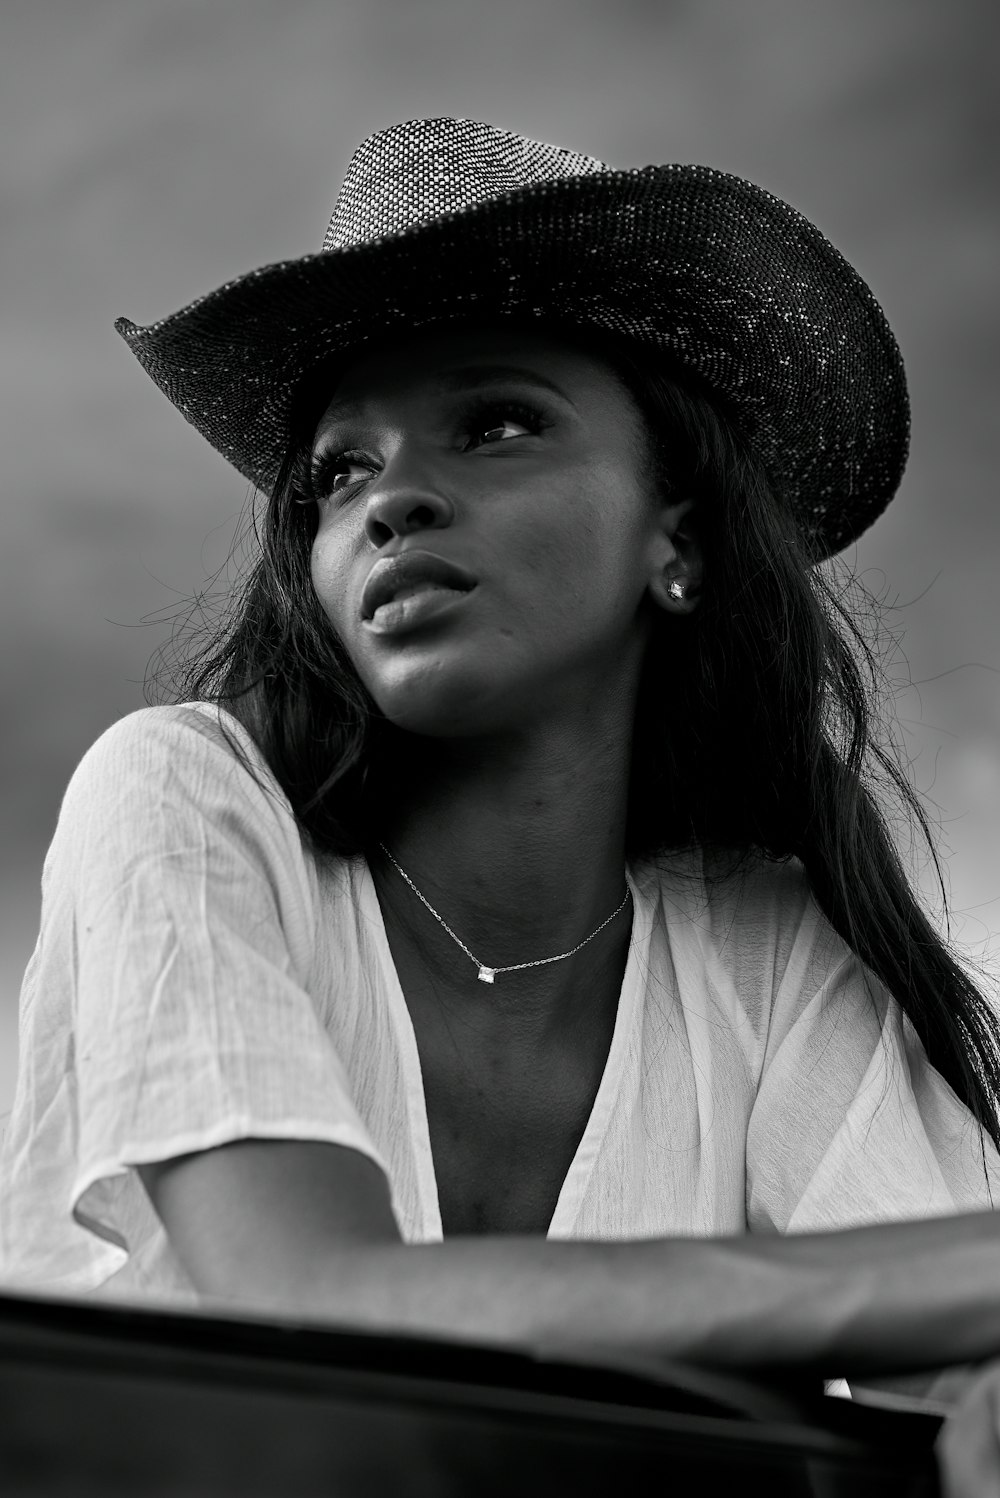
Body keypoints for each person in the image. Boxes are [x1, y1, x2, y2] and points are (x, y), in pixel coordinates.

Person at [3, 117, 1000, 1485]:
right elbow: (301, 1299)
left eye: (497, 423)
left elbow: (955, 1357)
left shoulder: (761, 952)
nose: (393, 499)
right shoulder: (182, 797)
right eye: (341, 471)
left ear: (681, 536)